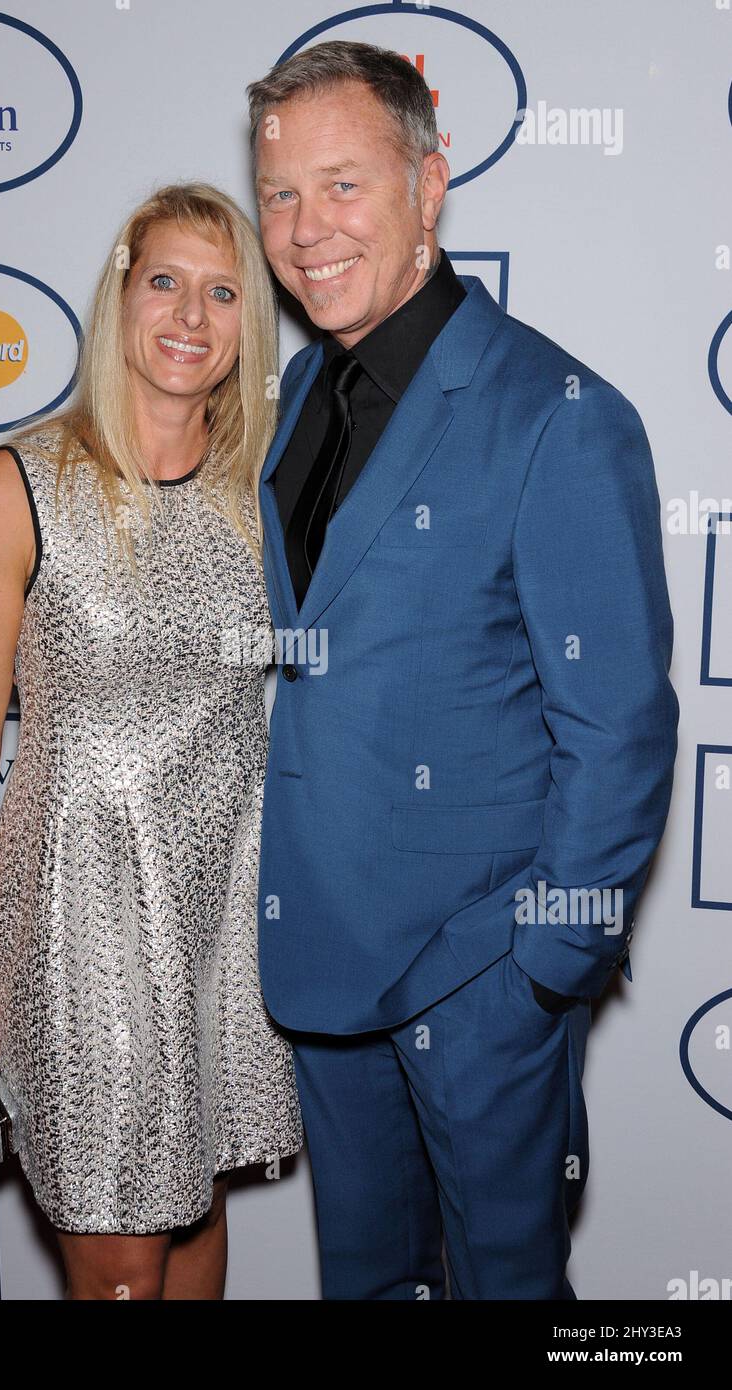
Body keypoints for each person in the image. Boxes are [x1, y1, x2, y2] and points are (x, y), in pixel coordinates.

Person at [246, 40, 679, 1299]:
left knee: (507, 1288)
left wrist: (540, 974)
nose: (305, 227)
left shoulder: (555, 412)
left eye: (343, 185)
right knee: (366, 1284)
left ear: (429, 185)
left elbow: (619, 725)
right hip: (325, 964)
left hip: (484, 974)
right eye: (280, 193)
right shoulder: (297, 391)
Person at [0, 182, 303, 1301]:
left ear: (249, 325)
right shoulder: (19, 486)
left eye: (222, 291)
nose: (190, 316)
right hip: (78, 921)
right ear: (120, 299)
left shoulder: (261, 496)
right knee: (120, 1249)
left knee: (194, 1218)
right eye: (165, 283)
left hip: (220, 913)